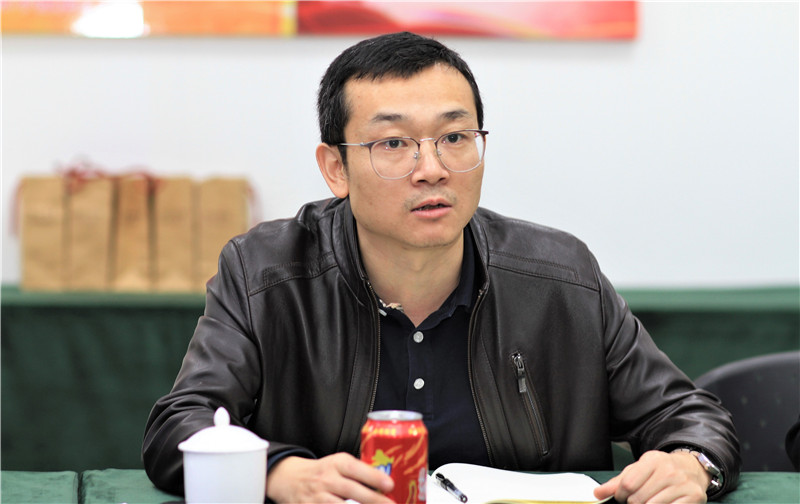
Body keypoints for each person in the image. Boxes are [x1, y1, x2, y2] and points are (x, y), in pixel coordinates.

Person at [143, 32, 740, 503]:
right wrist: (278, 472)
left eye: (455, 137)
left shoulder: (561, 277)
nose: (432, 169)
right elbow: (180, 424)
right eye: (393, 144)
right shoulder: (265, 273)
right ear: (335, 168)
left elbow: (688, 417)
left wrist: (691, 463)